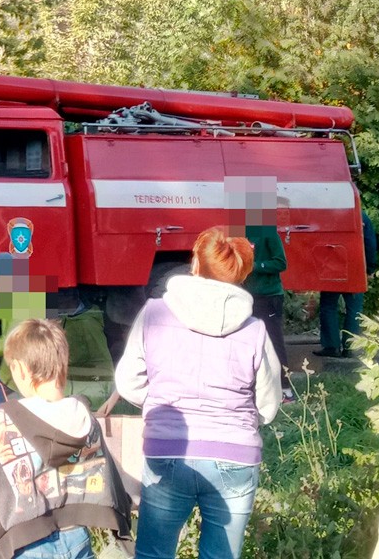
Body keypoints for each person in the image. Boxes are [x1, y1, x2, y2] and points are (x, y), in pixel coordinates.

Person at [114, 227, 282, 559]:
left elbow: (128, 382)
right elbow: (268, 405)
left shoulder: (154, 313)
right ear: (240, 274)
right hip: (235, 455)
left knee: (153, 554)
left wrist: (160, 403)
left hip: (167, 449)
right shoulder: (254, 330)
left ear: (194, 263)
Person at [0, 318, 133, 559]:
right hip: (77, 534)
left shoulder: (5, 422)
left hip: (27, 543)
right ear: (64, 364)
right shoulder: (84, 418)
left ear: (21, 371)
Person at [0, 300, 115, 444]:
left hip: (18, 372)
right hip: (20, 372)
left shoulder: (22, 303)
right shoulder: (80, 413)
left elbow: (7, 345)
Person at [242, 222, 293, 402]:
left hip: (269, 296)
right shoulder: (238, 231)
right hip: (246, 296)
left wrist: (255, 266)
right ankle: (255, 388)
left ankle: (286, 389)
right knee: (249, 343)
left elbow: (281, 262)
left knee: (274, 341)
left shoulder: (267, 231)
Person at [316, 212, 378, 357]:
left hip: (331, 268)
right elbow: (369, 243)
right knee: (354, 309)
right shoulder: (360, 216)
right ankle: (351, 348)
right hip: (355, 267)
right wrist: (370, 268)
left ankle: (331, 347)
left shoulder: (327, 215)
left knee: (328, 306)